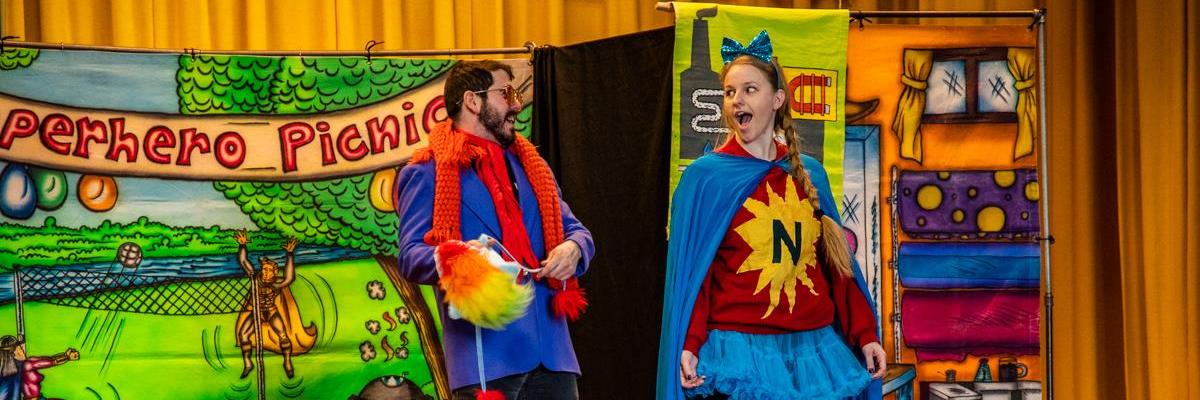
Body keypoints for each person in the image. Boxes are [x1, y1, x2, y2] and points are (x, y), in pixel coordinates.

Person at [655, 30, 887, 400]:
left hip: (812, 354)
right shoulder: (707, 178)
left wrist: (865, 334)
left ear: (777, 99)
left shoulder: (808, 173)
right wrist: (691, 342)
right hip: (740, 351)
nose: (736, 101)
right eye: (730, 92)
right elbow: (697, 276)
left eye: (749, 90)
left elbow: (837, 268)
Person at [395, 60, 595, 400]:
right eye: (506, 93)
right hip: (485, 359)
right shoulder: (426, 172)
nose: (516, 104)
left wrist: (574, 249)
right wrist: (463, 261)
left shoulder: (534, 167)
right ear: (473, 101)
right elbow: (411, 256)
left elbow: (577, 231)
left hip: (552, 352)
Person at [234, 233, 316, 379]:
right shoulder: (254, 278)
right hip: (256, 313)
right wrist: (242, 245)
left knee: (283, 336)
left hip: (271, 312)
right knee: (243, 335)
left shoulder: (276, 285)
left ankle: (287, 362)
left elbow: (290, 278)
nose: (265, 273)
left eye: (268, 270)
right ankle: (247, 363)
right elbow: (243, 260)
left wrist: (290, 254)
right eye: (264, 269)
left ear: (274, 272)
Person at [0, 335, 79, 400]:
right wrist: (67, 357)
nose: (22, 350)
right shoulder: (26, 365)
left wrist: (65, 355)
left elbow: (50, 359)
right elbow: (52, 362)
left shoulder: (17, 367)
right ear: (13, 353)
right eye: (19, 348)